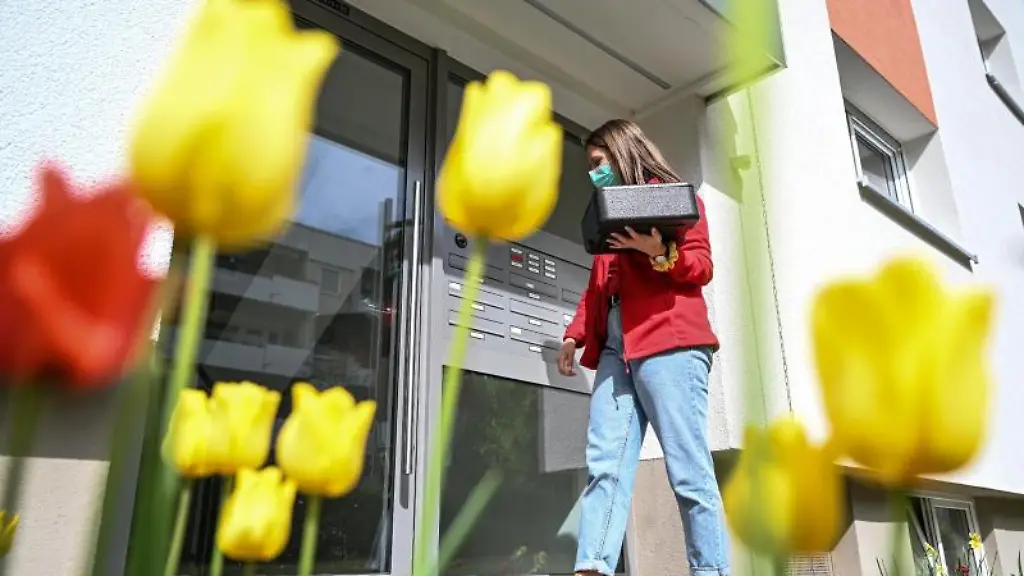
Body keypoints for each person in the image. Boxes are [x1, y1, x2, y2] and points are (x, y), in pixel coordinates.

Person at [558, 119, 729, 576]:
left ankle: (711, 570)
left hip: (669, 340)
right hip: (617, 347)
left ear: (621, 152)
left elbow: (701, 265)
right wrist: (575, 334)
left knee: (688, 473)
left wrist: (658, 250)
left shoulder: (674, 197)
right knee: (605, 465)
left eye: (598, 163)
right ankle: (593, 565)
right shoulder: (609, 221)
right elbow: (597, 290)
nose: (594, 174)